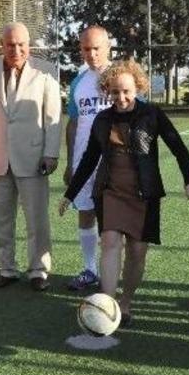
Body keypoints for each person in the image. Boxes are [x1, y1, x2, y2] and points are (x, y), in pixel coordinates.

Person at [59, 60, 189, 327]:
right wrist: (70, 193)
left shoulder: (152, 114)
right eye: (115, 92)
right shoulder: (102, 119)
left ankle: (126, 302)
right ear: (107, 91)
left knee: (137, 252)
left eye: (126, 91)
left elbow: (178, 147)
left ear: (138, 88)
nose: (120, 98)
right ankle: (107, 305)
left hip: (144, 193)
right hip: (110, 190)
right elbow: (89, 159)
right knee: (110, 243)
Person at [0, 22, 61, 292]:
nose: (16, 50)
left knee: (37, 220)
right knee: (2, 219)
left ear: (29, 45)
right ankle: (6, 269)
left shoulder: (46, 71)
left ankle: (38, 270)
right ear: (2, 45)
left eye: (21, 44)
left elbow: (53, 116)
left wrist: (51, 153)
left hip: (33, 158)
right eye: (10, 45)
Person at [63, 25, 112, 291]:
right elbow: (73, 123)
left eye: (96, 48)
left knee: (112, 219)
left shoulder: (120, 77)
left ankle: (110, 272)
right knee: (85, 212)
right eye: (86, 49)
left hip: (114, 163)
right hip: (84, 162)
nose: (91, 54)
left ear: (108, 48)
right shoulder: (78, 82)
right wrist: (71, 163)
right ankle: (90, 269)